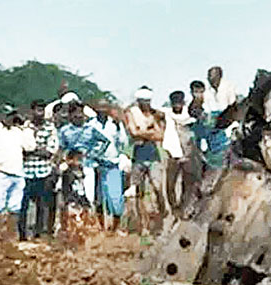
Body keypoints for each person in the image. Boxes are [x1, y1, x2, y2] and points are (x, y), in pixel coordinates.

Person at [0, 108, 36, 240]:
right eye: (7, 115)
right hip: (1, 174)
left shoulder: (18, 132)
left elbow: (30, 147)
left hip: (17, 173)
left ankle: (10, 239)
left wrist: (26, 128)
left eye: (12, 115)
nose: (10, 118)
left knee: (15, 208)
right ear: (1, 116)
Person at [123, 86, 166, 233]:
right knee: (138, 191)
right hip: (139, 155)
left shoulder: (155, 114)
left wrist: (143, 132)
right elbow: (133, 132)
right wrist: (150, 131)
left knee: (157, 187)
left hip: (152, 154)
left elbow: (160, 135)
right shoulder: (131, 112)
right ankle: (143, 224)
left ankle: (161, 219)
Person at [58, 102, 110, 214]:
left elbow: (106, 141)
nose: (78, 116)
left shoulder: (90, 129)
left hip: (88, 165)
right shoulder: (64, 130)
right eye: (75, 113)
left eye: (80, 113)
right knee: (69, 196)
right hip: (70, 167)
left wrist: (95, 154)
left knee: (88, 196)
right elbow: (61, 148)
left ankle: (88, 222)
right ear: (70, 115)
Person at [87, 101, 130, 230]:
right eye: (100, 108)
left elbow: (124, 143)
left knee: (116, 198)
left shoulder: (115, 124)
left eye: (105, 108)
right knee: (98, 198)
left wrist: (118, 126)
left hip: (112, 164)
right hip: (96, 164)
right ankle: (102, 226)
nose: (102, 110)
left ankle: (115, 228)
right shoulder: (90, 124)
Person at [21, 100, 59, 238]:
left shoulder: (50, 128)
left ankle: (38, 233)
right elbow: (22, 149)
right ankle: (23, 234)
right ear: (32, 111)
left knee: (42, 205)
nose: (40, 113)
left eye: (42, 110)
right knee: (24, 206)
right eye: (37, 110)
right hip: (26, 172)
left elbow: (50, 151)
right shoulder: (24, 127)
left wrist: (32, 150)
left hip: (44, 172)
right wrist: (37, 150)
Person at [162, 91, 202, 212]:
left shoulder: (189, 115)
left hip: (188, 154)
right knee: (170, 184)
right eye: (175, 104)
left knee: (188, 183)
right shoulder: (167, 115)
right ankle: (174, 207)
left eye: (179, 103)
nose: (177, 106)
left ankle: (184, 207)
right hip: (173, 154)